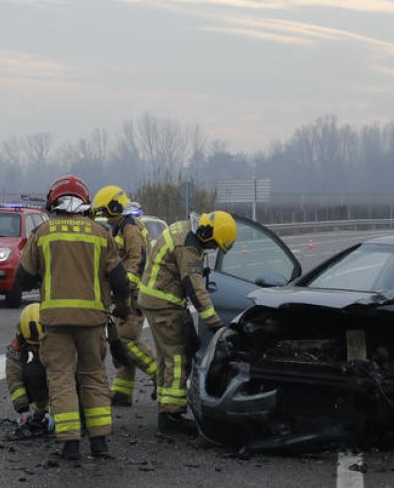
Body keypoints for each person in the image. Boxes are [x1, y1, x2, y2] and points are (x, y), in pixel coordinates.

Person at [14, 174, 132, 461]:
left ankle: (70, 444)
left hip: (55, 322)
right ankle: (100, 442)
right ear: (84, 202)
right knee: (93, 376)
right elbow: (120, 280)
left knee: (62, 379)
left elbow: (23, 279)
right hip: (93, 321)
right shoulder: (100, 233)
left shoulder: (43, 233)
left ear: (53, 201)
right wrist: (123, 308)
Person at [138, 211, 236, 434]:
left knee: (165, 358)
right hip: (164, 304)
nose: (211, 248)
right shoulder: (189, 247)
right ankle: (172, 416)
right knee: (176, 357)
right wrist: (214, 322)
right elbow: (194, 287)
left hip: (155, 300)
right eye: (213, 244)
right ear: (208, 234)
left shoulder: (185, 228)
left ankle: (166, 410)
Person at [91, 185, 158, 407]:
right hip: (127, 294)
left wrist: (125, 289)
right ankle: (122, 391)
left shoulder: (130, 228)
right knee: (121, 340)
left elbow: (136, 260)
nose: (104, 217)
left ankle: (160, 376)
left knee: (127, 341)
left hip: (134, 295)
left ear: (115, 207)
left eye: (105, 212)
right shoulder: (121, 227)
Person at [6, 302, 53, 437]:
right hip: (44, 366)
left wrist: (57, 410)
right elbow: (13, 371)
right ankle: (43, 409)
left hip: (68, 371)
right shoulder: (20, 335)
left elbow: (65, 374)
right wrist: (23, 409)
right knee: (31, 372)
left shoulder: (59, 333)